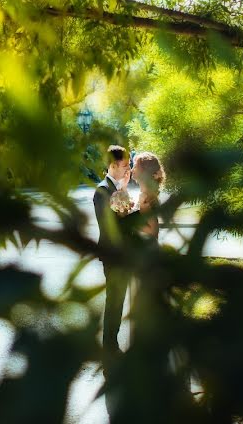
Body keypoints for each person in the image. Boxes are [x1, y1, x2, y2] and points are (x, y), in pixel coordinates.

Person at [92, 145, 132, 357]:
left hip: (123, 253)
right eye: (125, 165)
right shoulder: (102, 191)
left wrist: (123, 190)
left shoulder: (115, 188)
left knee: (119, 299)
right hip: (113, 254)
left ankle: (111, 342)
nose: (129, 169)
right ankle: (109, 345)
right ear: (113, 165)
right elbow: (111, 225)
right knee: (114, 300)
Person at [131, 151, 166, 241]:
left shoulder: (146, 198)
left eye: (135, 166)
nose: (132, 169)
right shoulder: (146, 194)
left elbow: (154, 231)